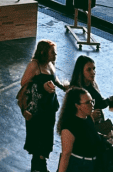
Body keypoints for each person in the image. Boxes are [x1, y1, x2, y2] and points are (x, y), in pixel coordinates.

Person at [21, 40, 67, 172]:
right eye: (52, 52)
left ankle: (41, 164)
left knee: (47, 135)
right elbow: (24, 83)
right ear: (43, 52)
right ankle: (38, 166)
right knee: (38, 135)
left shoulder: (50, 64)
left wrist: (62, 86)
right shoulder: (34, 65)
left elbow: (54, 78)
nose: (55, 54)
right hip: (37, 109)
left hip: (49, 107)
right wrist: (42, 87)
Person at [55, 88, 105, 172]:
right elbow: (66, 155)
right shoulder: (69, 126)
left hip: (92, 164)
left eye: (92, 101)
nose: (92, 105)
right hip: (78, 166)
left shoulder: (88, 118)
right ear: (77, 106)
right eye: (87, 102)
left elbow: (90, 136)